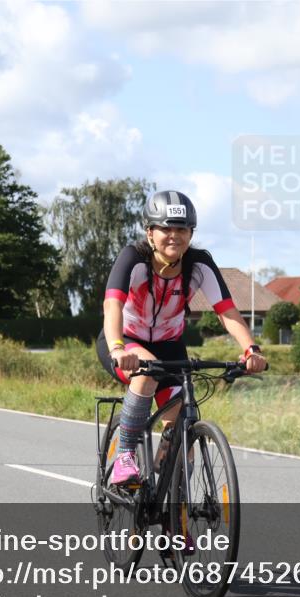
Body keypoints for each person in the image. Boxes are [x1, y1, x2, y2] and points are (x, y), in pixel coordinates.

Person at [97, 190, 267, 485]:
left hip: (171, 346)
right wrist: (117, 347)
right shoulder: (133, 259)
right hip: (125, 339)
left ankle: (175, 517)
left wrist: (251, 349)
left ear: (191, 233)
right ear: (150, 233)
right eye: (166, 228)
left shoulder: (199, 264)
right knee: (146, 373)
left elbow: (227, 312)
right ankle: (125, 456)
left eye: (182, 229)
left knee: (183, 431)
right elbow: (112, 304)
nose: (174, 235)